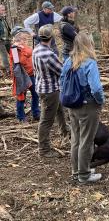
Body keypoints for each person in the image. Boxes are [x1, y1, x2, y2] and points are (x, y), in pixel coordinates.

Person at [60, 32, 104, 184]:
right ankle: (84, 175)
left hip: (72, 106)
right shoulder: (90, 63)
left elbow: (61, 81)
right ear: (88, 44)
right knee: (86, 140)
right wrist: (100, 101)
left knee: (76, 139)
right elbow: (96, 88)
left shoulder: (68, 61)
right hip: (88, 106)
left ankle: (76, 171)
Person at [32, 24, 69, 158]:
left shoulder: (36, 49)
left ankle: (66, 134)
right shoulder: (48, 55)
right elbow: (62, 71)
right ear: (51, 38)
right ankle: (44, 149)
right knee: (46, 121)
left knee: (60, 111)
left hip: (44, 87)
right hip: (50, 91)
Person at [10, 26, 40, 122]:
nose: (27, 39)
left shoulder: (24, 46)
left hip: (31, 74)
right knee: (21, 97)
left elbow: (31, 53)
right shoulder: (14, 49)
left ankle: (36, 113)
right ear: (19, 37)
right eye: (25, 38)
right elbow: (19, 62)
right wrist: (24, 51)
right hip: (21, 77)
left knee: (36, 94)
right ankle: (21, 117)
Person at [0, 4, 11, 77]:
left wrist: (10, 35)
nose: (4, 11)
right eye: (2, 10)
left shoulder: (3, 18)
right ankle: (8, 71)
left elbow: (6, 28)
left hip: (7, 39)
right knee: (4, 55)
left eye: (4, 9)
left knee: (13, 51)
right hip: (1, 40)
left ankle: (17, 66)